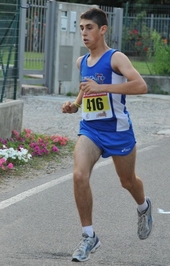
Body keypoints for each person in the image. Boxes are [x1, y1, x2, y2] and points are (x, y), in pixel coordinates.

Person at [62, 7, 152, 262]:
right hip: (91, 130)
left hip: (118, 131)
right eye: (81, 28)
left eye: (89, 28)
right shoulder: (82, 62)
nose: (84, 33)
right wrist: (76, 104)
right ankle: (89, 236)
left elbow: (141, 85)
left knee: (128, 182)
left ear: (102, 30)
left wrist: (103, 86)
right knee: (79, 175)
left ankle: (144, 207)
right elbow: (86, 88)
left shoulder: (116, 58)